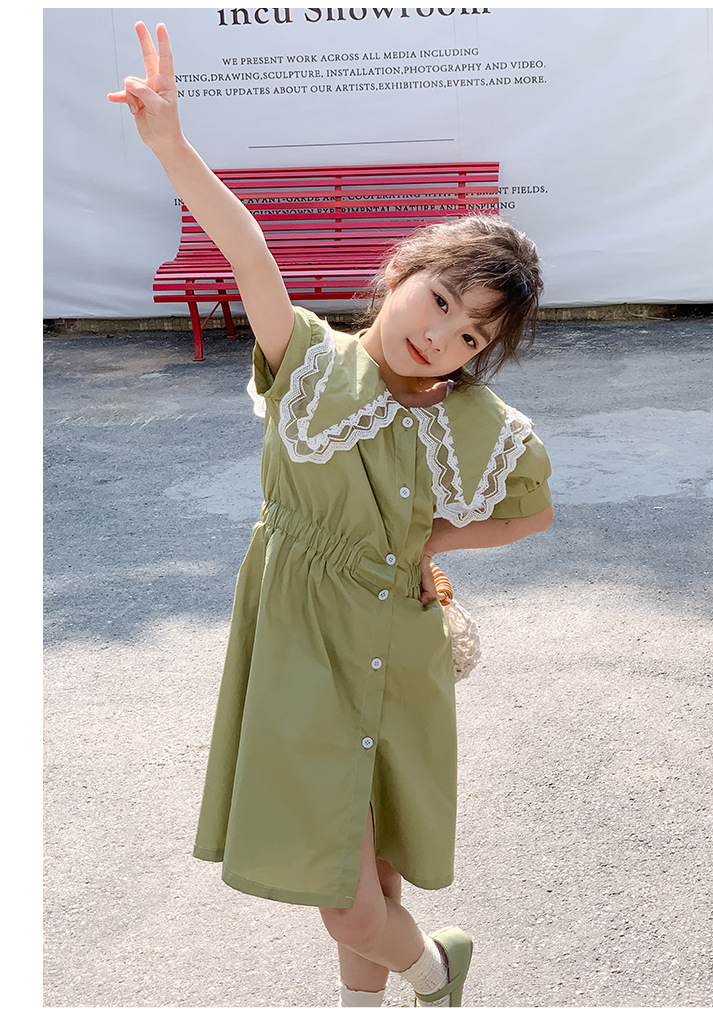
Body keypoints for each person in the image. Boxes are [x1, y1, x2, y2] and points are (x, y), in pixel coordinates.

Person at [109, 21, 554, 1008]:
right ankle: (436, 970)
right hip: (300, 637)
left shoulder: (471, 422)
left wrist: (434, 538)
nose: (442, 335)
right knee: (342, 893)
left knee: (372, 881)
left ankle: (385, 996)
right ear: (400, 275)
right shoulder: (310, 362)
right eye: (440, 300)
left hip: (398, 641)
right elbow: (247, 247)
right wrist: (172, 146)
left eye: (471, 334)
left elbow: (531, 513)